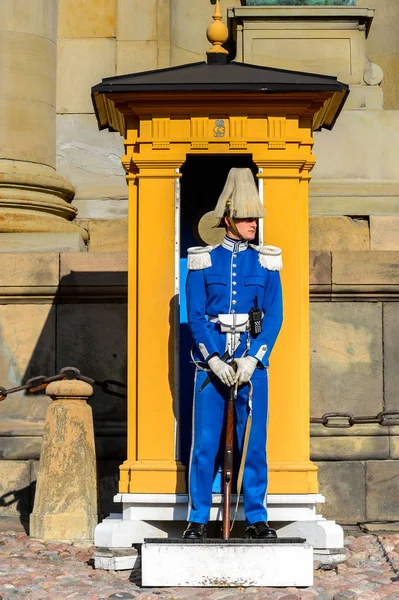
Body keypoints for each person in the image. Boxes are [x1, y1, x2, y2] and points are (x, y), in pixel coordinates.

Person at [183, 167, 283, 540]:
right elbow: (195, 316)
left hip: (251, 366)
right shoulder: (203, 261)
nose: (253, 223)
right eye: (245, 217)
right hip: (210, 367)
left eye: (255, 217)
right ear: (227, 218)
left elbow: (274, 316)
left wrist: (253, 357)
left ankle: (256, 516)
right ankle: (197, 518)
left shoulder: (267, 262)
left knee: (253, 444)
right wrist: (211, 358)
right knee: (206, 444)